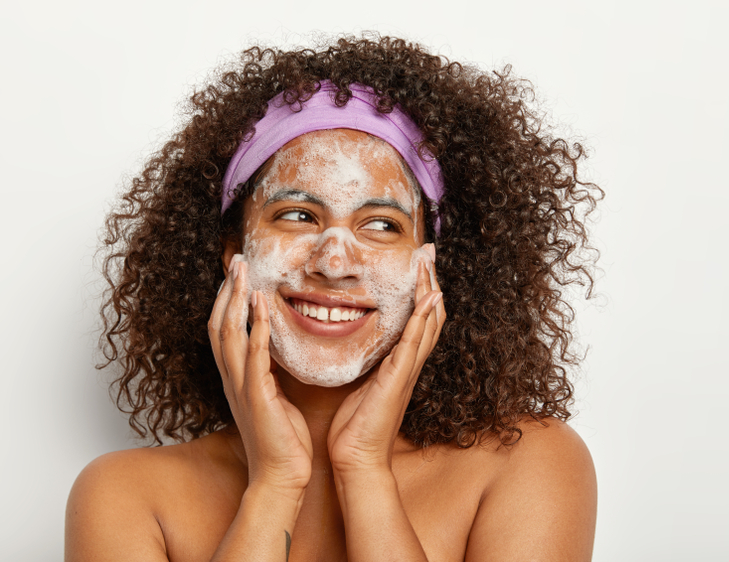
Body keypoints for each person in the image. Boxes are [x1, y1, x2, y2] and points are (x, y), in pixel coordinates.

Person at [66, 34, 600, 561]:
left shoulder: (526, 463)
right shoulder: (126, 497)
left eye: (382, 224)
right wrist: (275, 485)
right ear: (234, 254)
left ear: (431, 263)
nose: (334, 262)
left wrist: (364, 470)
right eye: (297, 215)